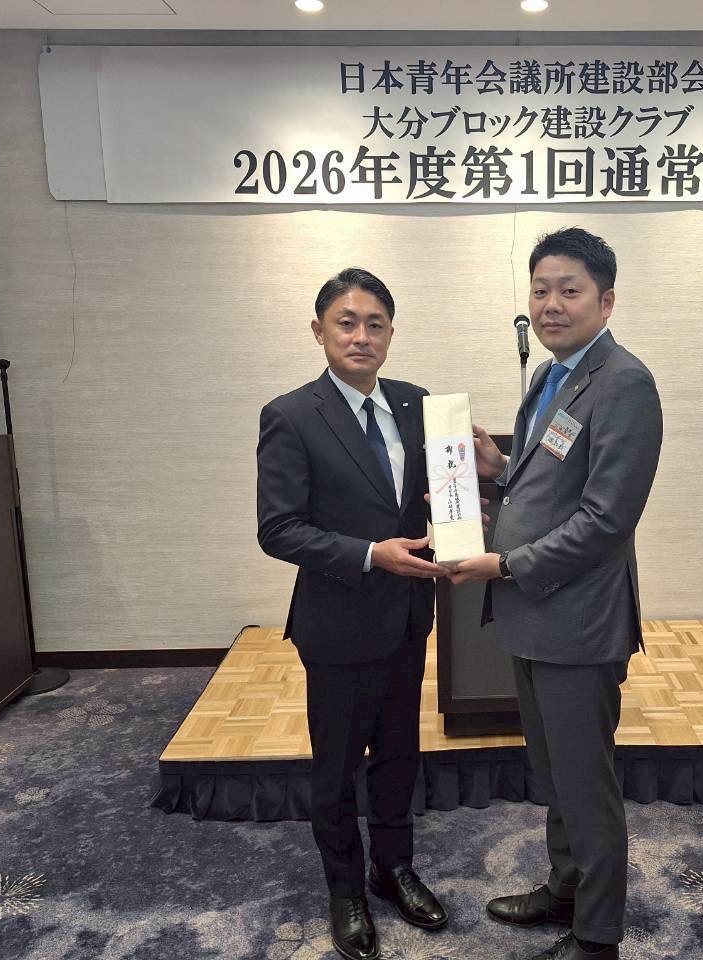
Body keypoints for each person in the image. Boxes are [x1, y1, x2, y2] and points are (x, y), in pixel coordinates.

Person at [447, 228, 664, 960]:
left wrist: (506, 566)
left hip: (578, 622)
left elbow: (606, 519)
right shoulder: (550, 375)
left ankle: (597, 936)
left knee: (585, 784)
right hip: (534, 617)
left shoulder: (625, 383)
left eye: (570, 290)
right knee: (555, 774)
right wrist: (497, 468)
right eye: (540, 290)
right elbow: (550, 483)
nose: (551, 304)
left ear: (606, 300)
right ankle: (566, 889)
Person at [257, 267, 449, 960]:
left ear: (391, 334)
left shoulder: (418, 405)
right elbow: (278, 529)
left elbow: (439, 496)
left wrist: (469, 514)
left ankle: (393, 868)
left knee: (399, 755)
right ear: (319, 331)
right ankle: (345, 889)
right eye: (347, 322)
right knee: (336, 768)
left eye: (375, 324)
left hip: (407, 616)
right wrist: (370, 554)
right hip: (338, 624)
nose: (361, 335)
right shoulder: (291, 415)